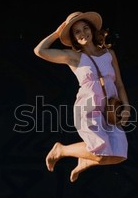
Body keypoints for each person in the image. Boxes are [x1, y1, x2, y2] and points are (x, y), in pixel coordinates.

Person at [34, 11, 130, 183]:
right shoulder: (73, 57)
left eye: (85, 28)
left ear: (92, 30)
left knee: (120, 154)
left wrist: (127, 107)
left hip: (110, 108)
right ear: (73, 37)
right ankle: (61, 150)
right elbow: (39, 51)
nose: (82, 33)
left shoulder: (109, 54)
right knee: (100, 153)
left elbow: (120, 84)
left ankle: (85, 161)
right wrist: (57, 33)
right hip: (88, 108)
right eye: (77, 31)